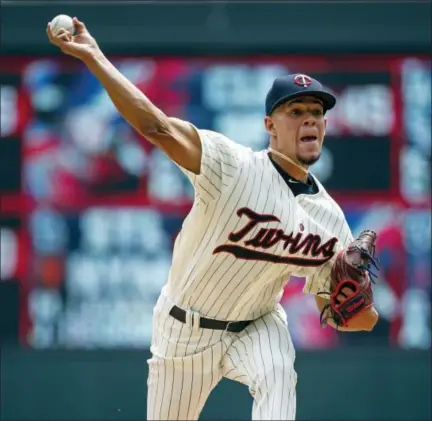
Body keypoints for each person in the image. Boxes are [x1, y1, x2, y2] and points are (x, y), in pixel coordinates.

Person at [47, 18, 379, 421]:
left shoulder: (330, 219)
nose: (310, 119)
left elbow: (351, 315)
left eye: (317, 112)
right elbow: (157, 127)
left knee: (277, 373)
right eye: (297, 110)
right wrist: (94, 55)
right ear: (270, 126)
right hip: (183, 330)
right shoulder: (231, 165)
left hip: (257, 324)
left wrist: (358, 310)